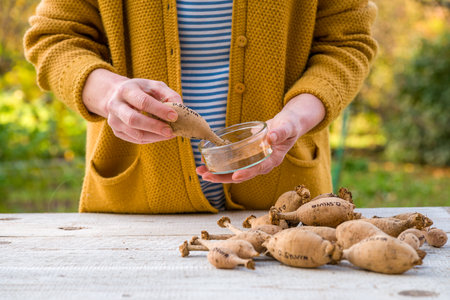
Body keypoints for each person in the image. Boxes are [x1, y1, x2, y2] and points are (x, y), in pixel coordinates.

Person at [24, 0, 378, 214]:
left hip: (285, 211)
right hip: (136, 213)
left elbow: (347, 44)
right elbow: (55, 37)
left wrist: (296, 118)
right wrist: (109, 94)